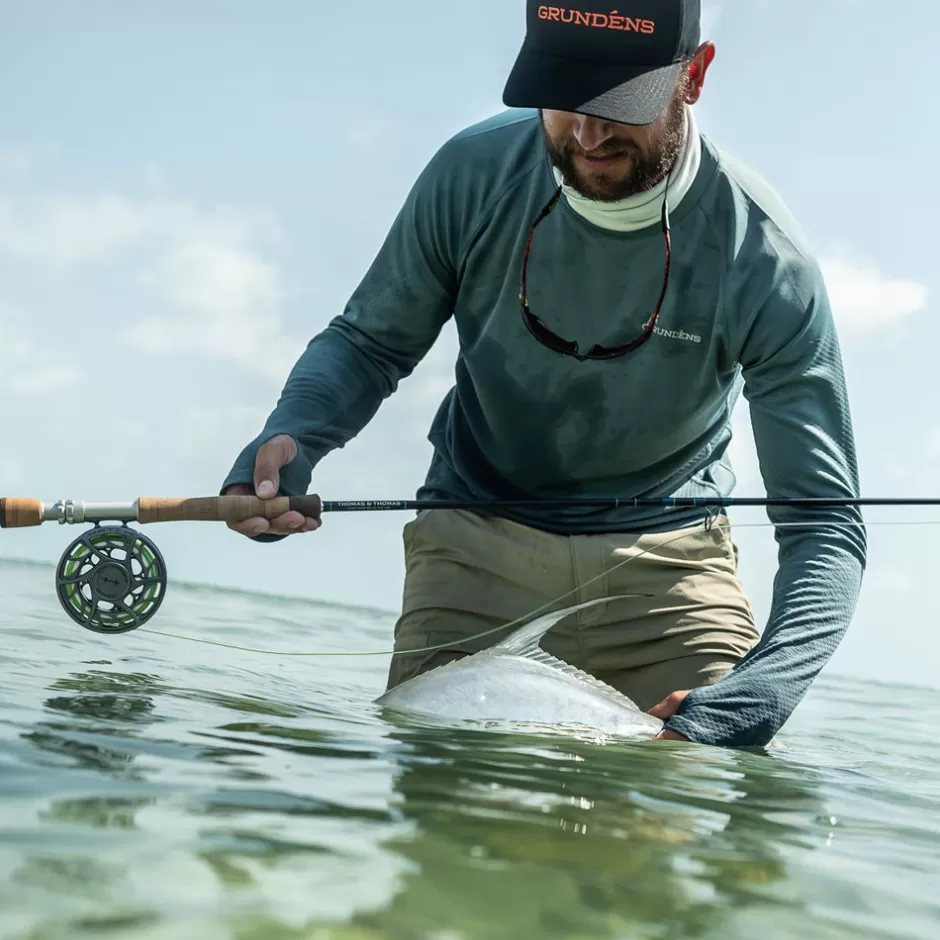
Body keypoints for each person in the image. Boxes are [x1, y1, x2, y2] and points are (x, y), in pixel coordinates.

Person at [221, 0, 867, 749]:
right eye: (564, 96)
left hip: (669, 565)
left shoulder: (766, 260)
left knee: (695, 797)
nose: (588, 134)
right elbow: (370, 343)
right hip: (474, 536)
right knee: (439, 825)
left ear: (694, 75)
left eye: (619, 103)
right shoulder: (472, 172)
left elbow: (825, 524)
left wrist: (764, 690)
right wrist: (291, 439)